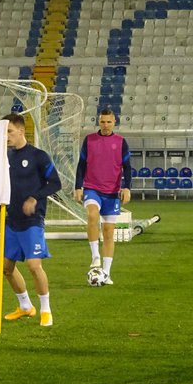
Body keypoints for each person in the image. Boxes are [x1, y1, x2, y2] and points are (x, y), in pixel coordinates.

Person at [0, 113, 61, 327]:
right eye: (4, 133)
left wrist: (34, 197)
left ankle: (46, 310)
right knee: (6, 268)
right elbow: (6, 186)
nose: (6, 137)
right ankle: (25, 306)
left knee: (33, 265)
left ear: (21, 130)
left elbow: (55, 183)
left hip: (32, 220)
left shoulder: (39, 156)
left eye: (9, 132)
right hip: (12, 219)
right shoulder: (7, 157)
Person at [74, 108, 131, 284]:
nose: (105, 125)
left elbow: (127, 167)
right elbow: (81, 164)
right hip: (92, 188)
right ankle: (95, 256)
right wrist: (78, 187)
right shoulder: (89, 140)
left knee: (108, 232)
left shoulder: (121, 142)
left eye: (109, 122)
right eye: (103, 121)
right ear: (99, 122)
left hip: (112, 192)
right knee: (92, 214)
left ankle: (106, 273)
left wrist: (127, 187)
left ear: (114, 123)